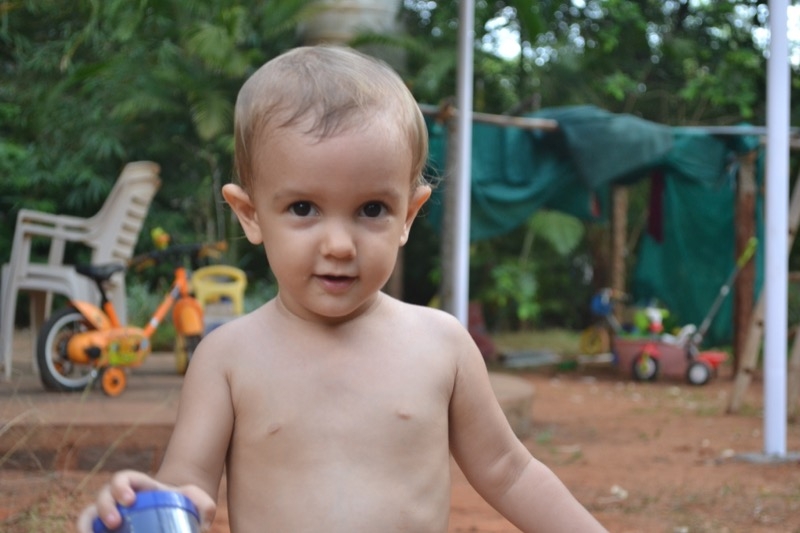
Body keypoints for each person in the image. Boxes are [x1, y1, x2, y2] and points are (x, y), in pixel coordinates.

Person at [79, 45, 607, 532]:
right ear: (250, 213)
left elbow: (510, 471)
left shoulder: (442, 345)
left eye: (371, 209)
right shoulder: (226, 358)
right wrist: (144, 505)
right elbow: (186, 487)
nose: (338, 245)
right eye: (303, 208)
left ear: (408, 215)